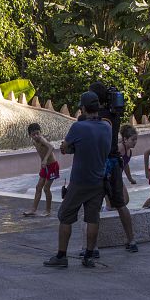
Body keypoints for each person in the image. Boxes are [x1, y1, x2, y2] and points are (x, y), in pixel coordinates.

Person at [44, 91, 111, 269]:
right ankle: (89, 257)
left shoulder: (78, 128)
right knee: (92, 218)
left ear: (83, 109)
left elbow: (65, 147)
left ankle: (61, 256)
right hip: (99, 181)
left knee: (65, 216)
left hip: (80, 181)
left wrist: (67, 147)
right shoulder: (107, 127)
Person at [82, 82, 138, 255]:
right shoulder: (114, 114)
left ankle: (92, 248)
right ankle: (132, 241)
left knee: (94, 207)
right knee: (120, 204)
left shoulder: (99, 117)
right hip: (115, 162)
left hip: (101, 163)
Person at [23, 123, 59, 217]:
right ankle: (33, 209)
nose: (36, 136)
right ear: (30, 135)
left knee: (46, 188)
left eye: (37, 133)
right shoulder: (34, 142)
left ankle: (48, 210)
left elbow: (51, 147)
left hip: (52, 165)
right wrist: (43, 163)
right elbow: (41, 152)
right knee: (38, 187)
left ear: (40, 133)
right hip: (45, 166)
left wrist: (46, 159)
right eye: (33, 134)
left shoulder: (41, 139)